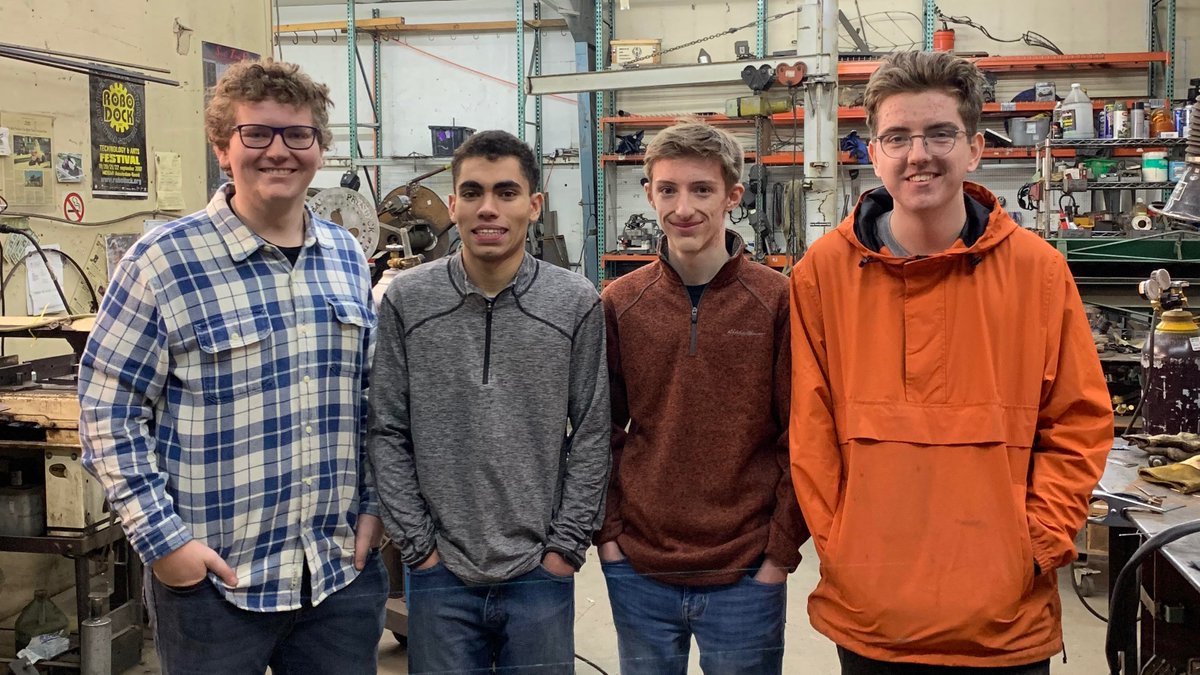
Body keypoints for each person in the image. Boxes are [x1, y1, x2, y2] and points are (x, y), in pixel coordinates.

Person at [789, 50, 1113, 673]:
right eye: (898, 137)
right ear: (874, 151)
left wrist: (1033, 546)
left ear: (975, 148)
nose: (919, 155)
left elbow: (1078, 422)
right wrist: (843, 546)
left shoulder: (1039, 272)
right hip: (870, 613)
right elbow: (809, 431)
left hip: (1003, 621)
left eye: (940, 133)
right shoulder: (821, 275)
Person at [78, 59, 387, 674]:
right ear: (223, 148)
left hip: (335, 578)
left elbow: (369, 397)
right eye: (256, 134)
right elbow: (107, 410)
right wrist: (167, 547)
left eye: (297, 134)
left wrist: (374, 507)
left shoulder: (348, 255)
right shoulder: (163, 261)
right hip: (215, 586)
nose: (279, 150)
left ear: (319, 150)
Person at [366, 129, 610, 674]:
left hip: (540, 576)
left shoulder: (574, 304)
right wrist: (419, 550)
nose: (488, 209)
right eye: (472, 193)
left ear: (534, 205)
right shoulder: (408, 300)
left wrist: (563, 551)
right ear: (452, 206)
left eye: (506, 192)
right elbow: (386, 429)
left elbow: (593, 433)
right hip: (438, 576)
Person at [597, 121, 809, 675]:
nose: (683, 207)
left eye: (702, 190)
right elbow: (600, 430)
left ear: (733, 197)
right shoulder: (621, 302)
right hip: (639, 569)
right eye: (667, 189)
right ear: (648, 193)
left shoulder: (777, 301)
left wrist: (778, 553)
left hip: (746, 572)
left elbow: (800, 436)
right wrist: (610, 538)